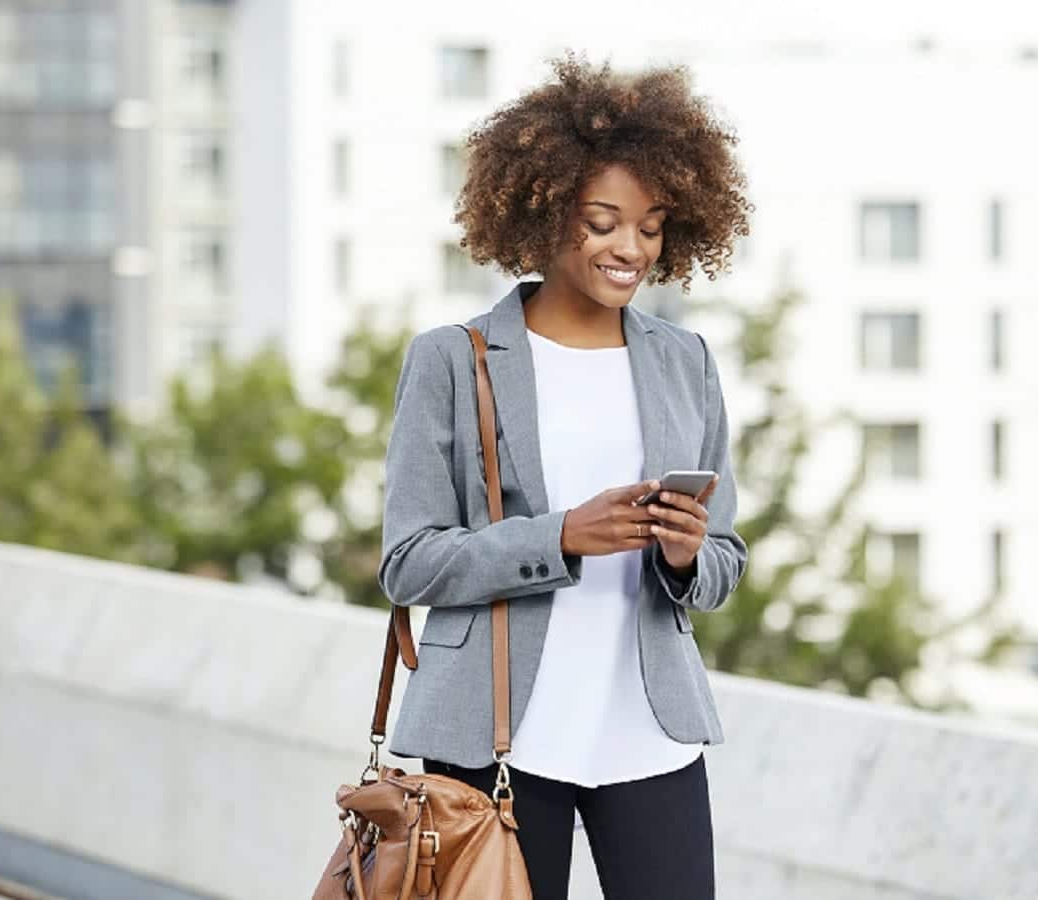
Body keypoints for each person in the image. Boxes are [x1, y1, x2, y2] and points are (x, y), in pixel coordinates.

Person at [376, 52, 751, 900]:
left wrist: (688, 555)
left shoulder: (684, 361)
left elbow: (725, 562)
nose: (631, 248)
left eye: (651, 227)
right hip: (497, 735)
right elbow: (408, 561)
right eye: (604, 221)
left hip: (650, 731)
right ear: (545, 213)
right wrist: (560, 538)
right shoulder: (454, 359)